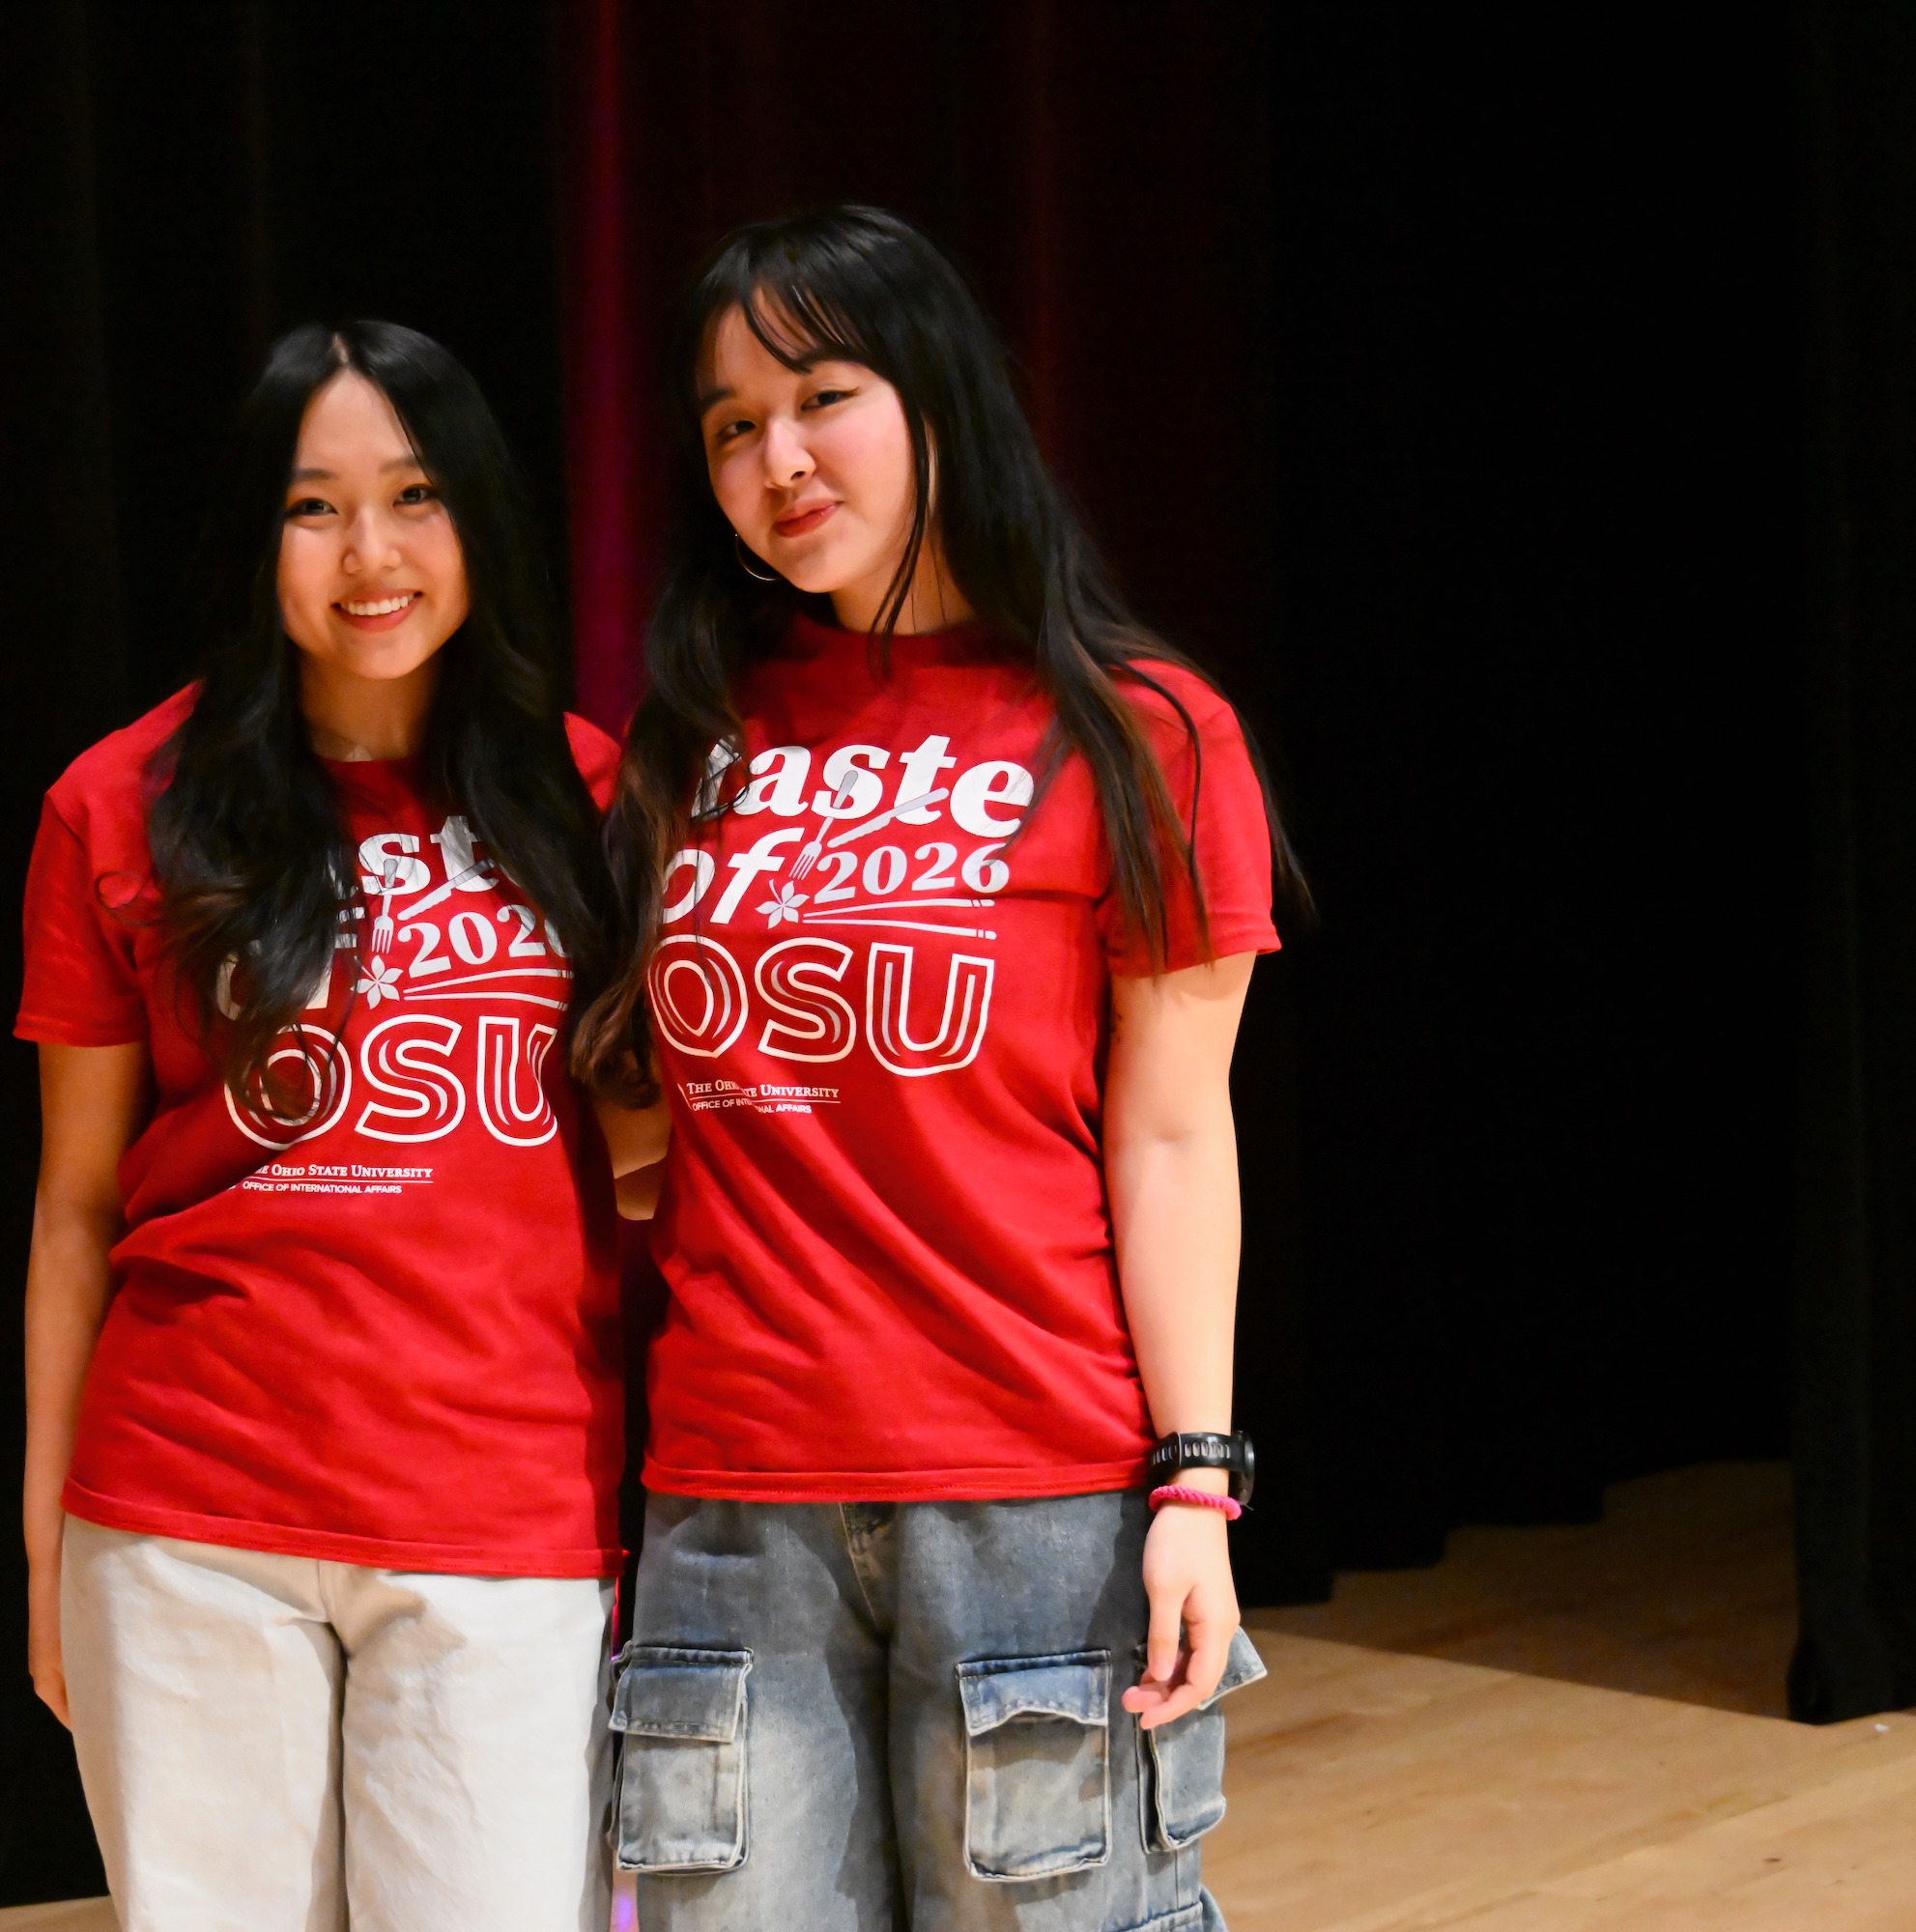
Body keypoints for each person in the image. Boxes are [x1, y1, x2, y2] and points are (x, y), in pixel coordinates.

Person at [575, 206, 1297, 1930]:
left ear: (938, 398)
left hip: (1036, 1493)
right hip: (732, 1504)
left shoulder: (1144, 729)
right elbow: (624, 1090)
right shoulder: (690, 739)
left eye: (824, 394)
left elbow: (1178, 1136)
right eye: (732, 423)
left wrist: (1197, 1480)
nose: (779, 456)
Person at [15, 319, 651, 1931]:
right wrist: (45, 1545)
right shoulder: (122, 804)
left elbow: (651, 1175)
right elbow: (77, 1205)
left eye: (416, 495)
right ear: (259, 537)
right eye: (315, 507)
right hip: (184, 1519)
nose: (371, 554)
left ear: (478, 519)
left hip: (502, 1515)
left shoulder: (592, 800)